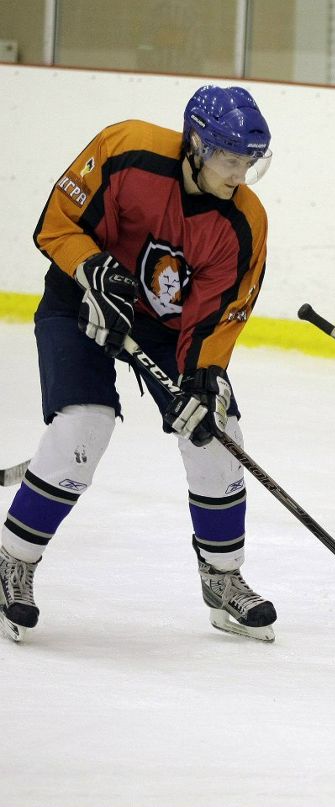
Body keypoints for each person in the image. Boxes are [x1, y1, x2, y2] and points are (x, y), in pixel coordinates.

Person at [0, 85, 278, 643]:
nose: (240, 176)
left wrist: (204, 376)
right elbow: (55, 225)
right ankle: (13, 561)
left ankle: (223, 581)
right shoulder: (127, 151)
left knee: (216, 429)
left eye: (251, 163)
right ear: (195, 145)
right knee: (85, 424)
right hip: (81, 298)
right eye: (230, 159)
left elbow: (217, 317)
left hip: (166, 328)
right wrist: (92, 268)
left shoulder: (244, 222)